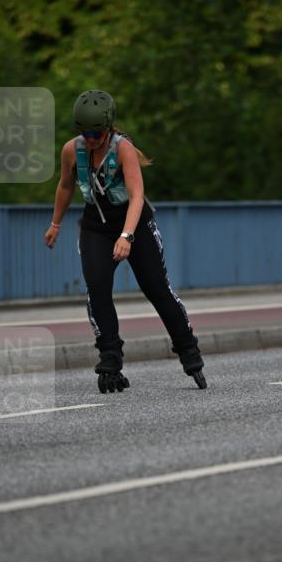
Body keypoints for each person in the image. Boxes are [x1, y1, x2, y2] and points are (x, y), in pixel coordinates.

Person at [44, 89, 207, 391]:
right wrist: (55, 223)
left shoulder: (123, 149)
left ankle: (188, 349)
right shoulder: (71, 150)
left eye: (96, 133)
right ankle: (110, 358)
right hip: (96, 227)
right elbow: (65, 187)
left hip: (135, 225)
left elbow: (136, 196)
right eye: (84, 133)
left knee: (156, 287)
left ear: (108, 128)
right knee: (97, 287)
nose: (90, 139)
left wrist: (127, 235)